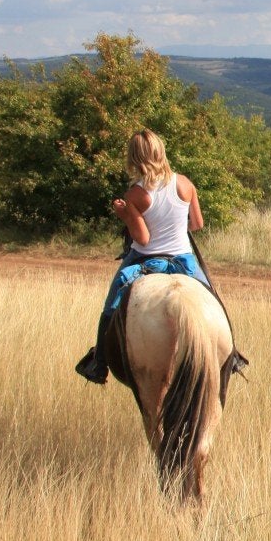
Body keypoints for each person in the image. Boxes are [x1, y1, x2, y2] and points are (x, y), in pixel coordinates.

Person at [74, 130, 209, 384]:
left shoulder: (136, 194)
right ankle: (231, 354)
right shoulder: (185, 183)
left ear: (134, 158)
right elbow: (197, 224)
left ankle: (99, 363)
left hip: (146, 259)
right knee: (211, 297)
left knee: (111, 304)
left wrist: (124, 214)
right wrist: (176, 228)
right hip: (183, 259)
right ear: (161, 152)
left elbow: (143, 238)